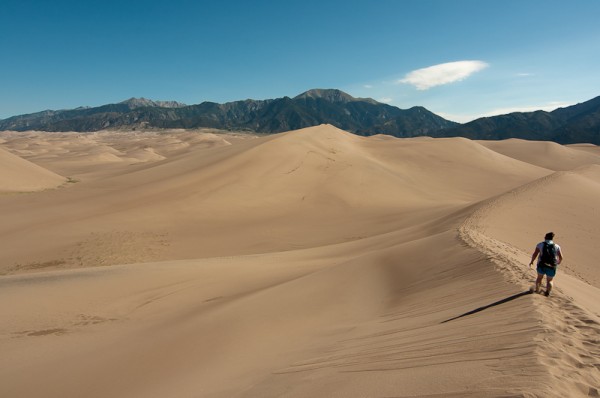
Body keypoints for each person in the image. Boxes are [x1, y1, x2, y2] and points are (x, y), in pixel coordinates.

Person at [529, 232, 563, 296]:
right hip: (552, 266)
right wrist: (557, 263)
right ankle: (548, 292)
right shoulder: (557, 246)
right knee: (550, 280)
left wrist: (532, 261)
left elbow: (535, 254)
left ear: (545, 237)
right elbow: (561, 257)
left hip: (541, 265)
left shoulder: (540, 245)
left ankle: (537, 290)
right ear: (552, 238)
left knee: (539, 278)